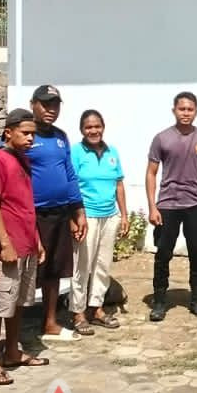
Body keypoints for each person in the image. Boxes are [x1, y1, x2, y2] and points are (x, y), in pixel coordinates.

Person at [0, 108, 50, 385]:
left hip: (27, 244)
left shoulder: (23, 160)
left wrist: (37, 240)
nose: (31, 138)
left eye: (33, 133)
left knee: (19, 302)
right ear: (8, 132)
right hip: (7, 248)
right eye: (26, 133)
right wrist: (4, 244)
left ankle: (12, 350)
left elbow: (25, 204)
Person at [147, 92, 197, 321]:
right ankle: (159, 302)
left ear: (196, 111)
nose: (185, 113)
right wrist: (152, 206)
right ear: (174, 110)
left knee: (196, 254)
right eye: (181, 109)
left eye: (190, 109)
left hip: (195, 204)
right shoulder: (162, 138)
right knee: (163, 254)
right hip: (168, 204)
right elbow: (151, 173)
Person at [26, 84, 87, 341]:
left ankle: (50, 322)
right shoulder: (24, 134)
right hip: (32, 215)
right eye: (45, 104)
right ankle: (15, 327)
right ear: (33, 105)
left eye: (55, 105)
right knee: (28, 272)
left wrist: (78, 210)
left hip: (60, 214)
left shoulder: (61, 137)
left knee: (53, 270)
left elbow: (69, 174)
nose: (50, 110)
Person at [69, 109, 129, 334]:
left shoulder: (112, 151)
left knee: (103, 265)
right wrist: (75, 216)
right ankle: (78, 312)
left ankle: (96, 308)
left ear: (103, 127)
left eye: (97, 126)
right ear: (82, 130)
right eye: (88, 127)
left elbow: (119, 184)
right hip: (87, 217)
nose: (93, 130)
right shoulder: (76, 152)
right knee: (82, 266)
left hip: (109, 215)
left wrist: (123, 215)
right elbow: (71, 185)